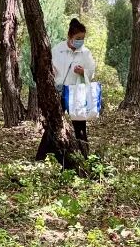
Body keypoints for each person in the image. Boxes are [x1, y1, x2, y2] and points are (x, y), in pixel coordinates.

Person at [37, 18, 97, 160]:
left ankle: (84, 156)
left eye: (83, 38)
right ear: (70, 36)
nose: (80, 41)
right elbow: (48, 68)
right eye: (78, 38)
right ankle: (42, 157)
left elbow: (91, 71)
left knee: (80, 125)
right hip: (59, 91)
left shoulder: (85, 53)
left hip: (76, 92)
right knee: (54, 124)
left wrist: (83, 72)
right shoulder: (58, 50)